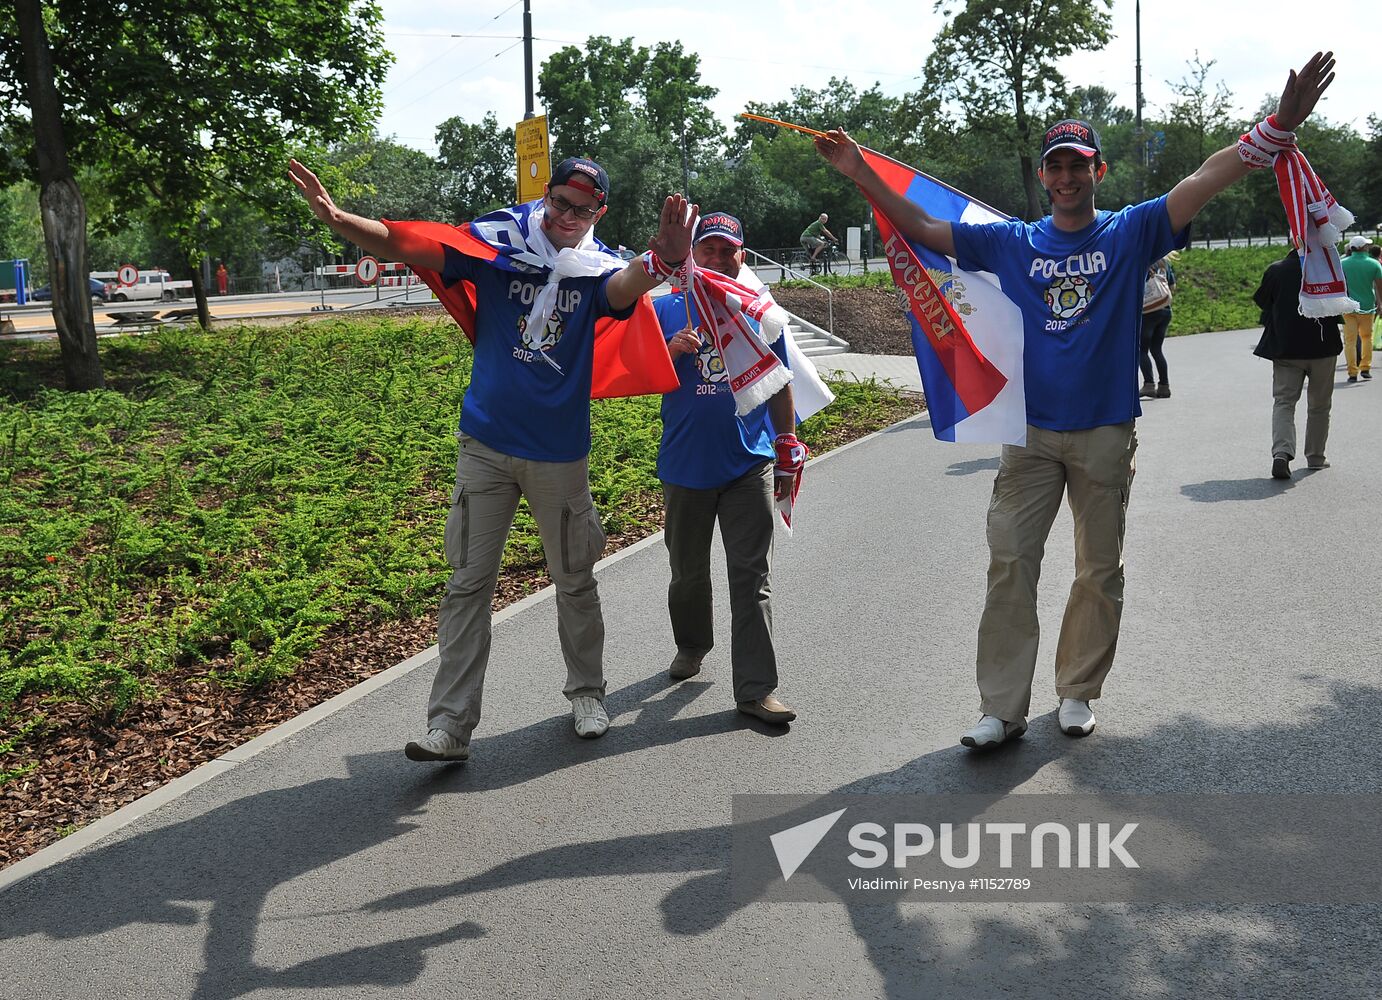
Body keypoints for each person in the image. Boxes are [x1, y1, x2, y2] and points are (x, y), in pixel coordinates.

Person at [813, 52, 1337, 749]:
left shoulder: (1130, 231)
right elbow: (920, 226)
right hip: (1028, 435)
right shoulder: (1009, 243)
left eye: (1078, 165)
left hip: (1104, 433)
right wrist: (858, 173)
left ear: (1098, 172)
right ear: (1043, 177)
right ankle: (1001, 709)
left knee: (1099, 569)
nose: (1066, 177)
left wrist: (1276, 126)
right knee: (1009, 566)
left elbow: (1204, 179)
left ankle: (1077, 691)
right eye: (1055, 166)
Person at [289, 155, 695, 761]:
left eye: (582, 209)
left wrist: (661, 259)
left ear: (598, 214)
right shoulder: (500, 242)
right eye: (560, 202)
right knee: (466, 585)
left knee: (574, 580)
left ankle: (587, 693)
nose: (566, 216)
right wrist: (337, 217)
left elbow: (624, 288)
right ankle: (450, 727)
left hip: (558, 456)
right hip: (485, 446)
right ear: (545, 194)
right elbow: (415, 244)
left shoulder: (594, 268)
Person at [655, 212, 798, 725]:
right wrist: (670, 353)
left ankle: (756, 690)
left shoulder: (761, 312)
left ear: (742, 254)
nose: (717, 258)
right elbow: (642, 376)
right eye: (707, 249)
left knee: (752, 577)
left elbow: (780, 382)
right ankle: (692, 645)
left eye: (726, 250)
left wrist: (787, 446)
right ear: (693, 253)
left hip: (748, 464)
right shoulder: (668, 307)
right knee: (687, 575)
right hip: (685, 466)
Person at [1252, 248, 1342, 479]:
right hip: (1324, 347)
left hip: (1287, 347)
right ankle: (1315, 456)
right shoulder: (1329, 271)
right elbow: (1343, 302)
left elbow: (1262, 300)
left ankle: (1282, 453)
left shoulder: (1277, 270)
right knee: (1320, 405)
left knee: (1284, 402)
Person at [1340, 235, 1382, 381]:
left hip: (1347, 306)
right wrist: (1380, 303)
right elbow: (1379, 286)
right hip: (1367, 306)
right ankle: (1365, 367)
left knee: (1350, 340)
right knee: (1366, 338)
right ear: (1362, 248)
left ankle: (1352, 372)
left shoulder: (1342, 263)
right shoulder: (1374, 264)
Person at [1138, 254, 1176, 399]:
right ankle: (1164, 387)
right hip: (1165, 310)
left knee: (1142, 350)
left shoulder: (1143, 259)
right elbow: (1172, 286)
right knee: (1157, 350)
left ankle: (1149, 385)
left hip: (1147, 312)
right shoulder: (1165, 261)